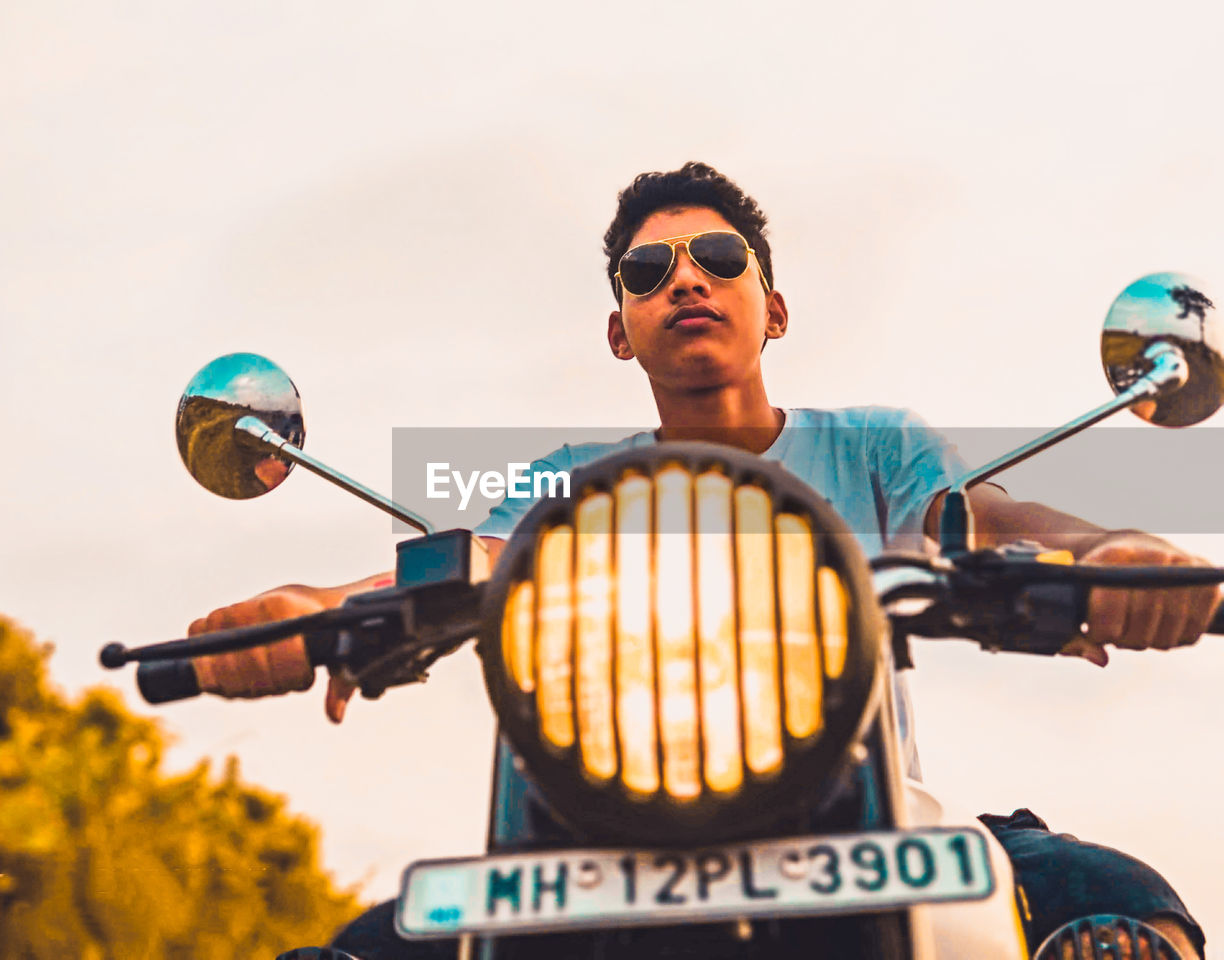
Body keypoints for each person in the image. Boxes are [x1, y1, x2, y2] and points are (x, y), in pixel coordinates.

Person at [190, 162, 1210, 958]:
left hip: (861, 803)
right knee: (358, 953)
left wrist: (1104, 553)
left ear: (771, 307)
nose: (683, 278)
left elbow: (978, 519)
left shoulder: (872, 447)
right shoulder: (575, 482)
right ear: (618, 331)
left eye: (718, 259)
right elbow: (480, 560)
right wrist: (314, 606)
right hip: (594, 823)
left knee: (1111, 904)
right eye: (646, 271)